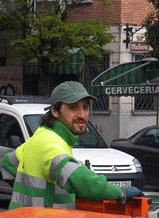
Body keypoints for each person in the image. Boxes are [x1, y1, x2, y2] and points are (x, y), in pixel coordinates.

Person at [0, 81, 143, 210]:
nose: (82, 115)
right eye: (73, 108)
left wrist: (32, 196)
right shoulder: (51, 142)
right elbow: (78, 178)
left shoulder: (41, 135)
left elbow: (7, 162)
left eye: (85, 107)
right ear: (54, 111)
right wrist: (121, 193)